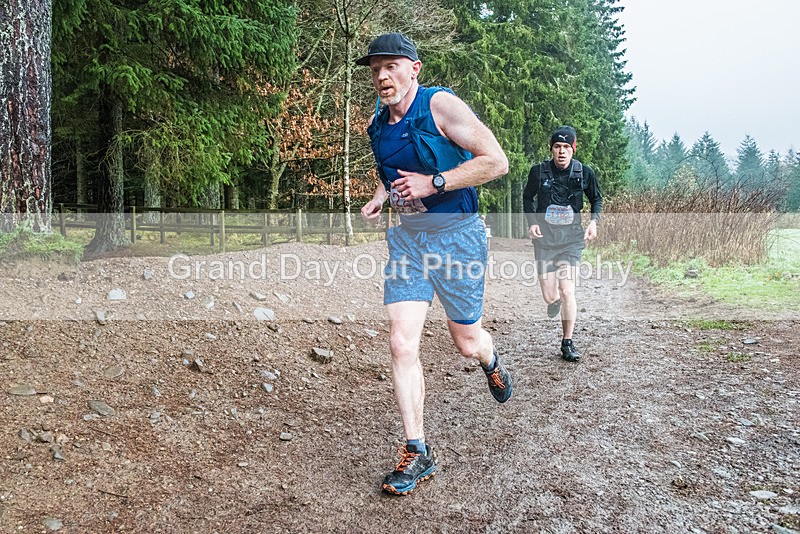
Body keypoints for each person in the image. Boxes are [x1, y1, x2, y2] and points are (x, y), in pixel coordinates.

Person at [357, 32, 512, 496]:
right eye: (375, 68)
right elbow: (393, 172)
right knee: (402, 343)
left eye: (391, 66)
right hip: (408, 243)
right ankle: (417, 450)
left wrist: (435, 182)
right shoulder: (377, 124)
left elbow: (496, 162)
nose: (382, 76)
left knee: (466, 342)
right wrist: (381, 195)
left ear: (414, 68)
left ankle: (490, 358)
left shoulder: (440, 106)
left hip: (459, 238)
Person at [523, 125, 602, 363]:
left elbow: (596, 198)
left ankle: (567, 342)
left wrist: (593, 222)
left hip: (571, 240)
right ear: (551, 149)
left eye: (567, 147)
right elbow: (528, 197)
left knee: (567, 290)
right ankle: (553, 302)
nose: (562, 151)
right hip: (544, 240)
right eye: (557, 146)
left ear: (573, 149)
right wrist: (531, 222)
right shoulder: (538, 172)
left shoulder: (584, 172)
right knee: (550, 295)